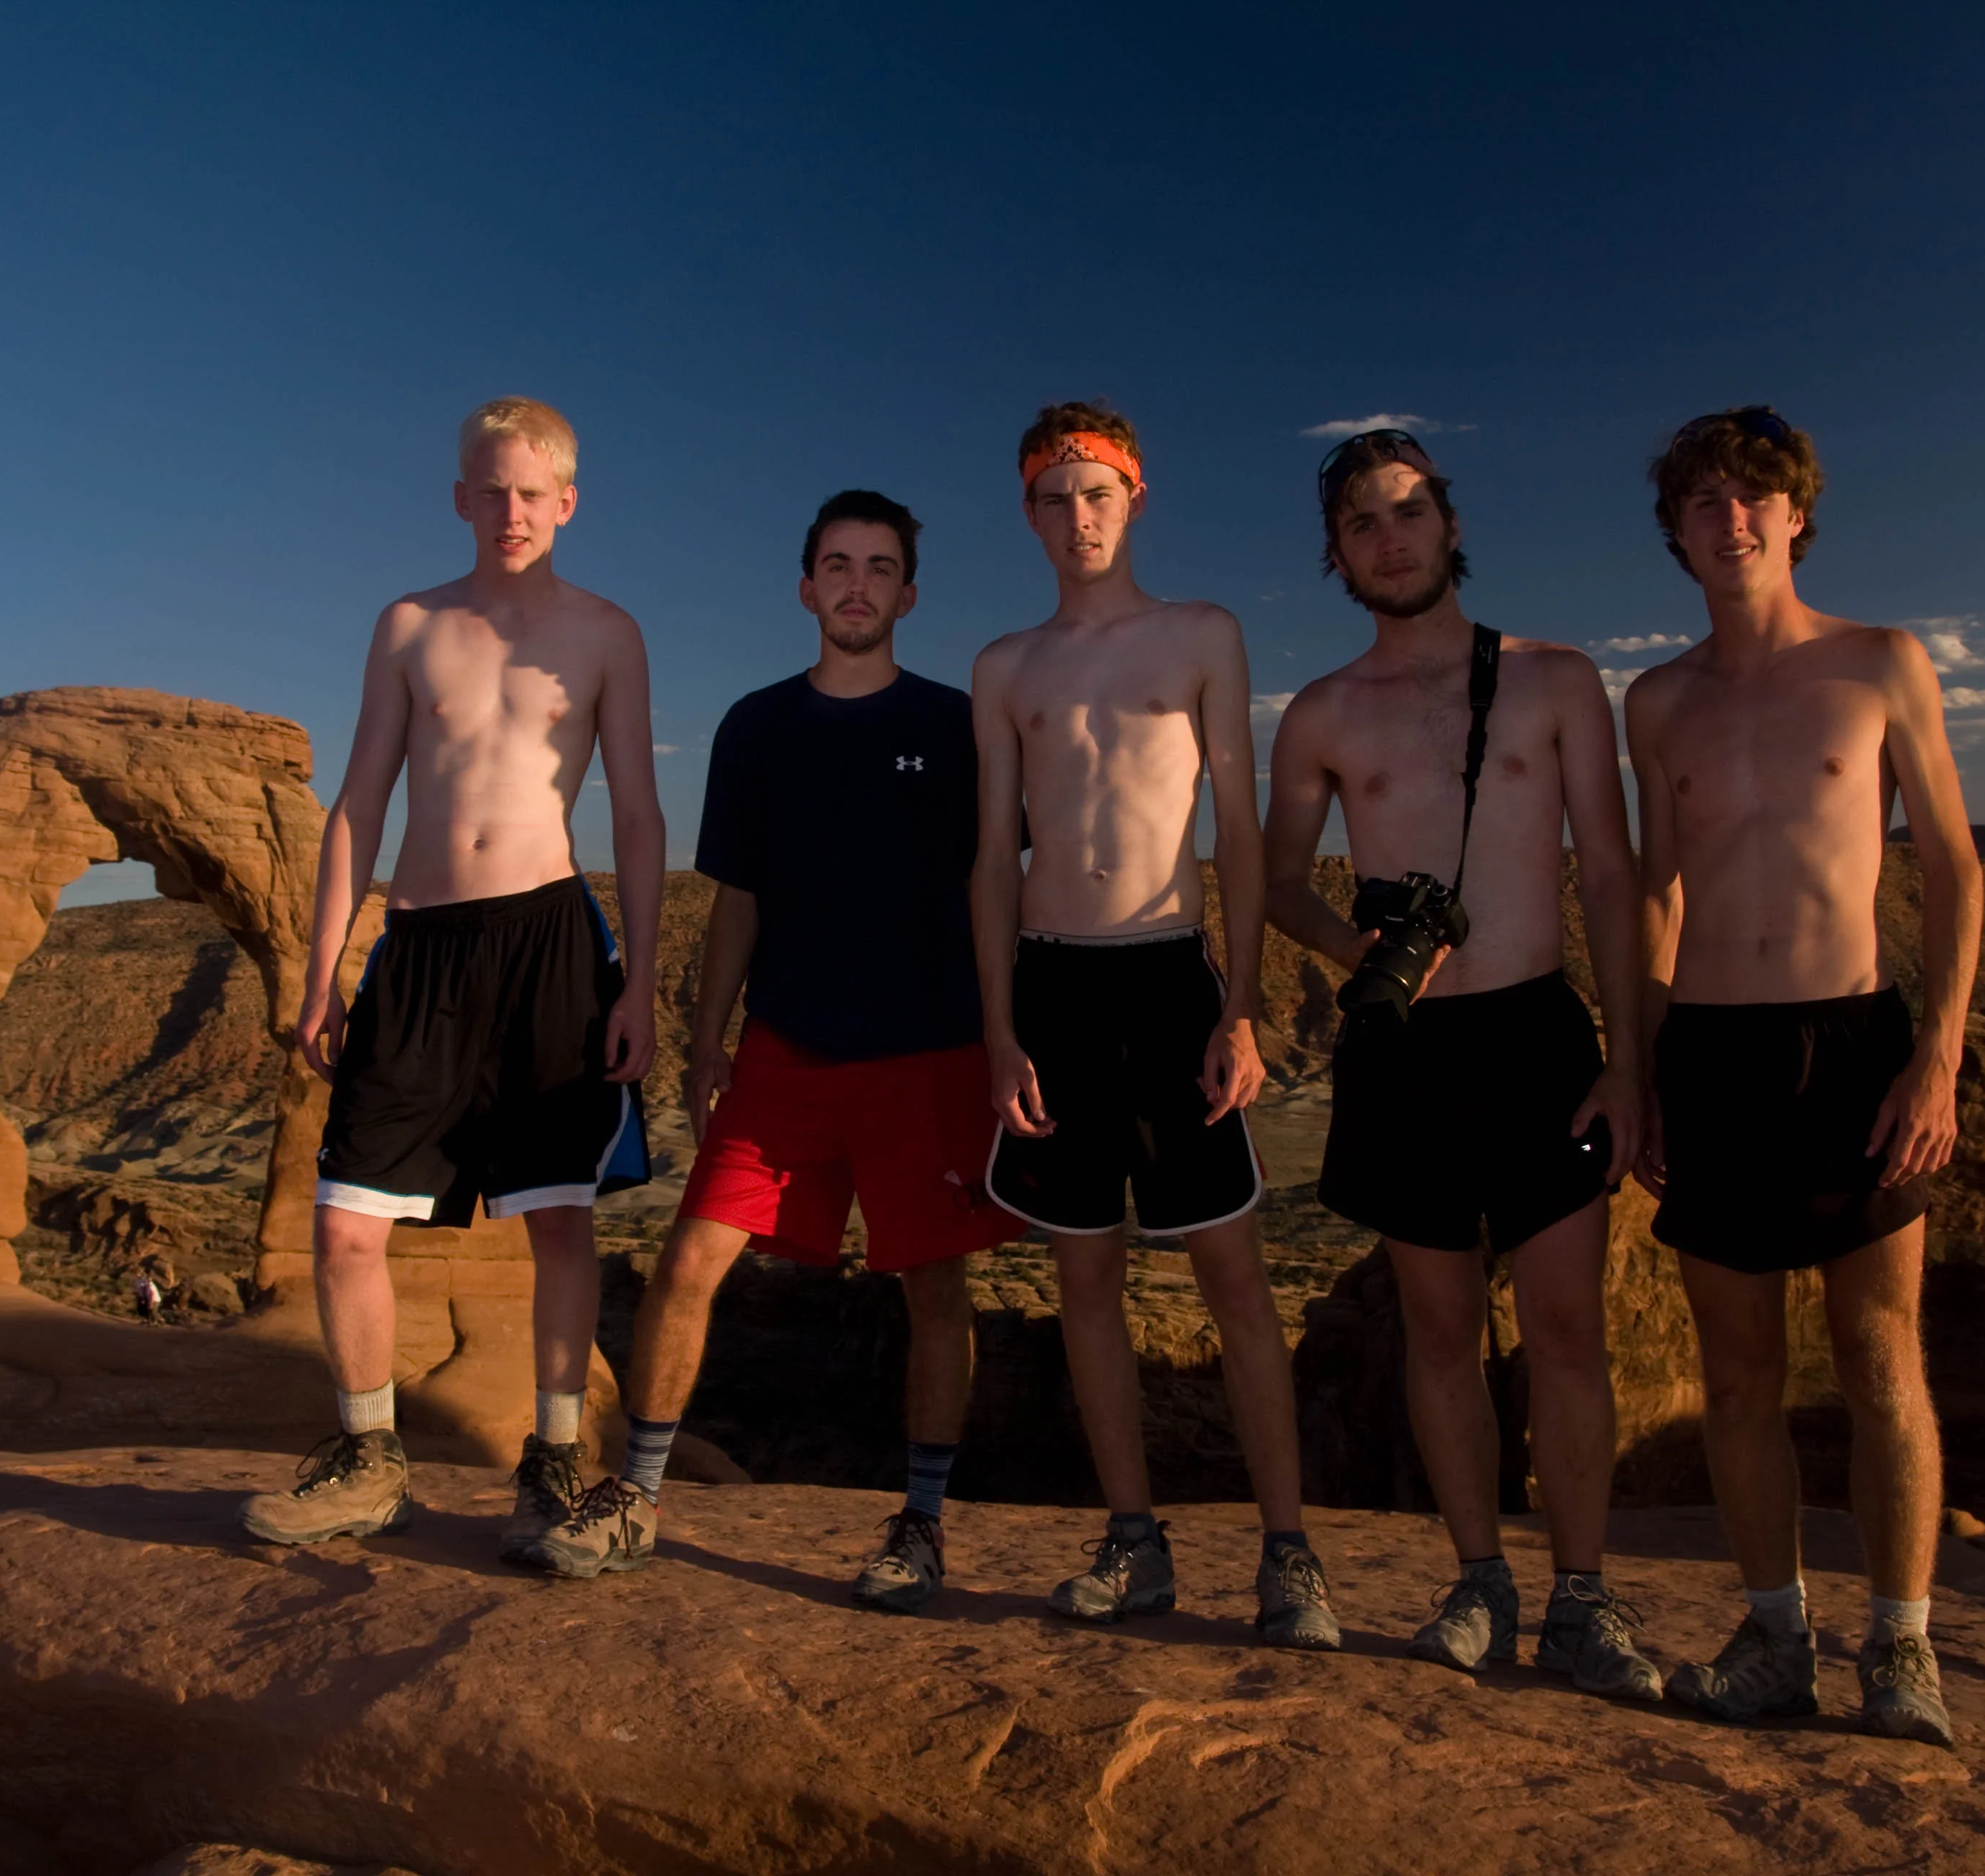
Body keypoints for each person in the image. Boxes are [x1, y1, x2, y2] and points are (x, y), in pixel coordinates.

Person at [532, 490, 1015, 1607]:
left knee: (935, 1289)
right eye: (838, 566)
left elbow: (995, 886)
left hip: (929, 1050)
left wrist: (1003, 1033)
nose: (857, 585)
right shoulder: (756, 726)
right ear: (807, 589)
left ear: (908, 593)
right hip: (786, 1051)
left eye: (880, 567)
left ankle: (924, 1524)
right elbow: (737, 897)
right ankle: (639, 1497)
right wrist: (708, 1042)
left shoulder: (953, 725)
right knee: (690, 1258)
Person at [1263, 430, 1662, 1700]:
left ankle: (1584, 1601)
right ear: (1338, 557)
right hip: (1409, 1050)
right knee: (1437, 1332)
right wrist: (1357, 946)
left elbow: (1609, 871)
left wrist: (1630, 1056)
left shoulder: (1555, 682)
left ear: (1448, 522)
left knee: (1564, 1331)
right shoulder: (1322, 713)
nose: (1390, 538)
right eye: (1362, 525)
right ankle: (1481, 1578)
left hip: (1541, 1033)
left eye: (1408, 512)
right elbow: (1275, 880)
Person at [239, 396, 661, 1558]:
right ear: (461, 496)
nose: (513, 511)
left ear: (567, 504)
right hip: (419, 945)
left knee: (560, 1226)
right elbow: (359, 804)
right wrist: (325, 970)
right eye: (493, 489)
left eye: (535, 494)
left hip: (551, 946)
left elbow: (635, 810)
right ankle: (369, 1461)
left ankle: (556, 1466)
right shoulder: (410, 625)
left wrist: (640, 983)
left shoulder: (607, 631)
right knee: (345, 1225)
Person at [1625, 406, 1978, 1748]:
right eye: (1704, 502)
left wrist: (1937, 1054)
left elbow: (1951, 865)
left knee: (1883, 1356)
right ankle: (1779, 1639)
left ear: (1796, 516)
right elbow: (1654, 889)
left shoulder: (1881, 663)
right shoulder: (1656, 701)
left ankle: (1902, 1648)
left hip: (1856, 1044)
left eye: (1753, 498)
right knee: (1736, 1373)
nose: (1730, 521)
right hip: (1712, 1052)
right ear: (1677, 532)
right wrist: (1641, 1062)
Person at [970, 400, 1338, 1649]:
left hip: (1171, 976)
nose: (1077, 518)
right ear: (1026, 511)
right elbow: (987, 859)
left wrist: (1239, 1008)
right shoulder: (1005, 668)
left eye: (1098, 494)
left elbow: (1237, 833)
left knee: (1234, 1275)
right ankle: (1135, 1543)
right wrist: (1000, 1031)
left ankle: (1288, 1553)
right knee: (1085, 1277)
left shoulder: (1200, 636)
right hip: (1052, 986)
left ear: (1135, 499)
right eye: (1053, 497)